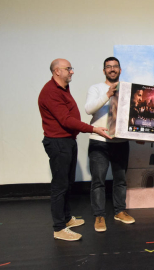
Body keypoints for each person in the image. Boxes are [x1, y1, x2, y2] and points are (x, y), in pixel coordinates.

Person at [38, 58, 111, 241]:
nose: (72, 71)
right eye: (68, 69)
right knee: (60, 186)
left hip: (67, 141)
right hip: (58, 143)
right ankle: (59, 228)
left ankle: (66, 218)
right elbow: (66, 120)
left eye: (71, 68)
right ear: (57, 71)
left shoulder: (62, 88)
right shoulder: (51, 92)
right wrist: (92, 128)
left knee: (67, 182)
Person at [84, 57, 135, 233]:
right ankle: (99, 215)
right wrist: (108, 94)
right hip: (99, 142)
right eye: (108, 67)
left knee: (120, 180)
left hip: (120, 142)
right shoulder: (96, 88)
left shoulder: (128, 90)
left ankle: (119, 211)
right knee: (98, 181)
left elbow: (133, 114)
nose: (112, 69)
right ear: (104, 70)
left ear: (120, 70)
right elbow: (89, 109)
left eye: (115, 67)